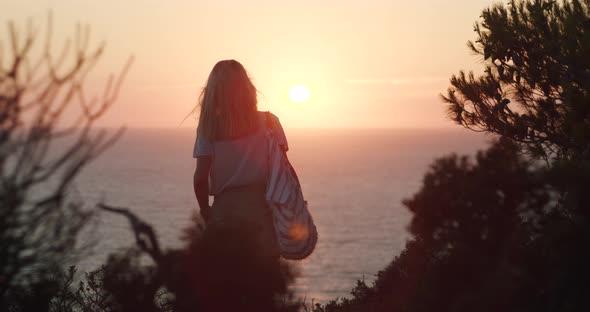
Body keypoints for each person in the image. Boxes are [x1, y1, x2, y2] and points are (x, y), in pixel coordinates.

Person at [191, 59, 293, 311]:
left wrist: (206, 211)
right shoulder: (270, 122)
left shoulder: (208, 128)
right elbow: (284, 172)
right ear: (248, 88)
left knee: (224, 297)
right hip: (263, 215)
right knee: (264, 295)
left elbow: (200, 178)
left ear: (213, 91)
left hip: (224, 216)